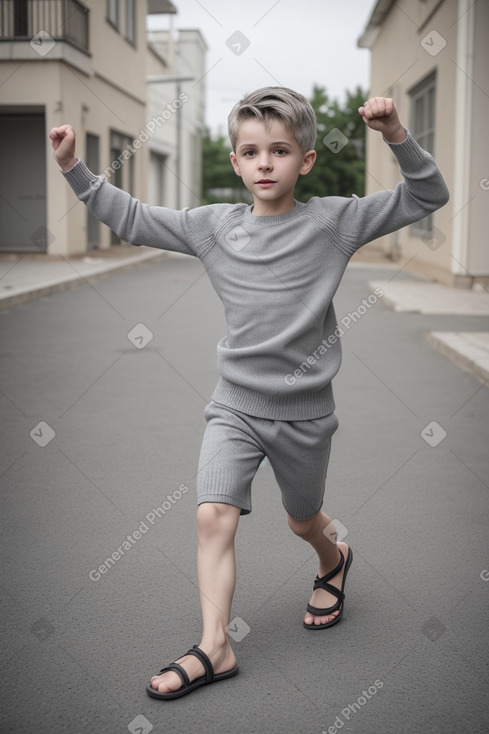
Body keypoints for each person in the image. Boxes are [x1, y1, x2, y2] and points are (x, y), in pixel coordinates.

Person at [50, 88, 449, 700]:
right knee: (213, 515)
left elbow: (428, 195)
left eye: (281, 150)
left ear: (305, 161)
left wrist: (396, 131)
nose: (266, 163)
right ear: (235, 162)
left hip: (305, 416)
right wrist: (74, 169)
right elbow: (132, 217)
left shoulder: (334, 222)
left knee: (301, 519)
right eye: (251, 151)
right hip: (234, 404)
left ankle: (332, 557)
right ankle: (216, 645)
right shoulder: (214, 228)